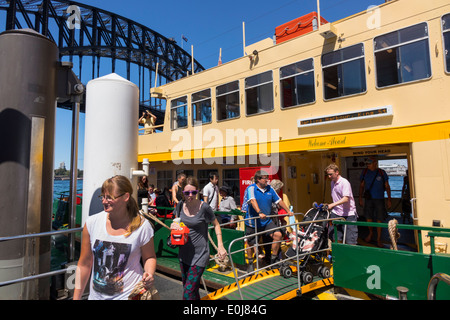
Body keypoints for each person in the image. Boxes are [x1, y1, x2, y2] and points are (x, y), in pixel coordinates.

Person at [73, 175, 156, 300]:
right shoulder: (91, 223)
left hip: (129, 296)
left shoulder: (142, 226)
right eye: (103, 197)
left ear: (126, 197)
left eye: (109, 197)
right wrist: (76, 298)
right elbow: (84, 264)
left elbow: (149, 257)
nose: (104, 201)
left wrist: (149, 273)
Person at [170, 176, 227, 300]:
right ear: (182, 193)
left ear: (197, 191)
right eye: (187, 193)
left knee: (188, 293)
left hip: (200, 255)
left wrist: (220, 246)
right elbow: (176, 223)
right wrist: (174, 226)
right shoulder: (180, 205)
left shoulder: (204, 207)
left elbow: (216, 225)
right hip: (184, 254)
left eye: (194, 192)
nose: (190, 195)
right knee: (190, 288)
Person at [245, 170, 293, 272]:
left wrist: (288, 211)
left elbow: (279, 200)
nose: (267, 180)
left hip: (266, 221)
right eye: (265, 178)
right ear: (258, 179)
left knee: (278, 235)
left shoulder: (270, 188)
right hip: (253, 222)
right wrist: (259, 212)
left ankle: (273, 260)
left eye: (267, 177)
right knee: (250, 243)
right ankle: (250, 263)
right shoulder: (251, 188)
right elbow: (252, 200)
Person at [359, 156, 392, 247]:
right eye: (367, 164)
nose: (368, 165)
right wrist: (360, 198)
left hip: (380, 199)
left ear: (375, 163)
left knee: (379, 219)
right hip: (369, 199)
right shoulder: (365, 172)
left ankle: (378, 239)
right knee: (368, 217)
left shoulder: (381, 172)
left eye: (369, 164)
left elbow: (387, 186)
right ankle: (370, 233)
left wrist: (389, 199)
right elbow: (362, 186)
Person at [325, 164, 358, 245]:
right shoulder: (332, 182)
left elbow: (346, 198)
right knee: (335, 237)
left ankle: (350, 256)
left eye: (330, 174)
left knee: (350, 240)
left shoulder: (344, 182)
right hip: (336, 213)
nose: (329, 176)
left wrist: (332, 205)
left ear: (337, 172)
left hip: (348, 214)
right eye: (328, 175)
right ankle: (339, 254)